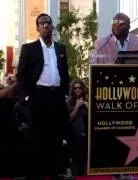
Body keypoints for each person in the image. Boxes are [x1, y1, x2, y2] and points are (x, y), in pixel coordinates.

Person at [16, 13, 74, 179]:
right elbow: (21, 75)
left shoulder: (60, 48)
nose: (46, 26)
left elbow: (65, 73)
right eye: (42, 24)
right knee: (37, 136)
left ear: (52, 26)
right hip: (38, 96)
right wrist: (27, 97)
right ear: (37, 28)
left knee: (57, 135)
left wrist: (64, 94)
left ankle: (56, 171)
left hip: (56, 97)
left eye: (48, 23)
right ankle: (37, 173)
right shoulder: (29, 49)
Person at [66, 79, 88, 176]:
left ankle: (82, 175)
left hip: (85, 135)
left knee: (83, 160)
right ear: (73, 90)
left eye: (80, 88)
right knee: (74, 159)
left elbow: (94, 117)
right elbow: (68, 119)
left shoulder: (88, 100)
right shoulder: (68, 102)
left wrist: (87, 106)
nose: (78, 90)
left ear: (83, 89)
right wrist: (77, 107)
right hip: (73, 135)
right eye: (76, 88)